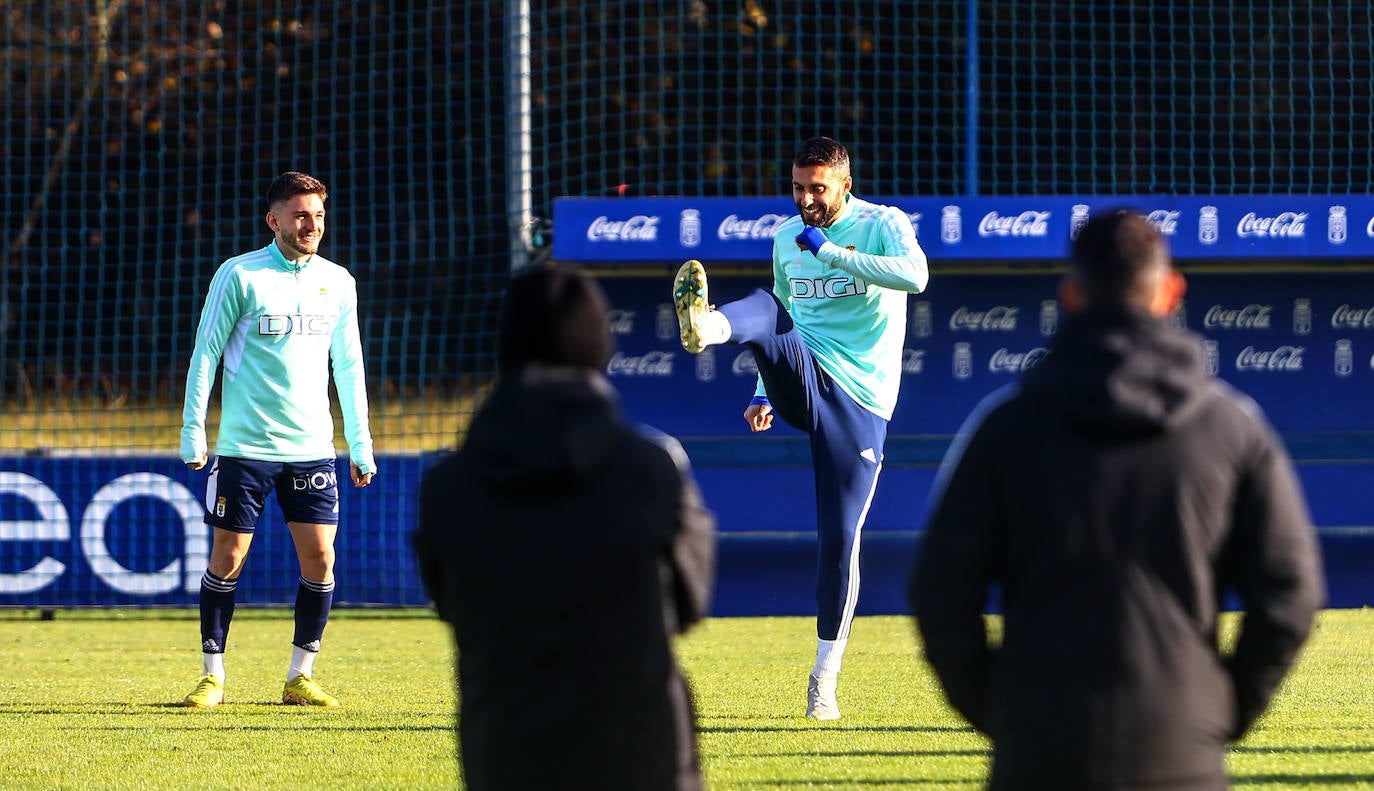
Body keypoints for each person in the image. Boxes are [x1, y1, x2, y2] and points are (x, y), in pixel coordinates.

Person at [909, 210, 1325, 790]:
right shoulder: (1232, 428)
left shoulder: (1006, 426)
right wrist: (1219, 705)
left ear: (1072, 296)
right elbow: (1291, 591)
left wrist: (1001, 707)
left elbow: (939, 590)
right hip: (1182, 750)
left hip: (1037, 750)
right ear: (1171, 291)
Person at [413, 266, 716, 791]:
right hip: (640, 744)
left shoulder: (447, 486)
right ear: (598, 346)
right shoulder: (651, 469)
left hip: (506, 747)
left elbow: (449, 603)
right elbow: (691, 602)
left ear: (507, 344)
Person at [674, 136, 929, 720]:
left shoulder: (882, 223)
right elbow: (786, 314)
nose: (806, 199)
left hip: (861, 402)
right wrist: (766, 390)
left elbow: (915, 277)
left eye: (818, 188)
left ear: (844, 183)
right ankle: (708, 328)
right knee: (765, 306)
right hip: (804, 378)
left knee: (839, 539)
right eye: (797, 187)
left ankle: (824, 680)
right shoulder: (787, 239)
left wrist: (832, 252)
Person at [178, 171, 376, 708]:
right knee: (229, 558)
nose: (312, 225)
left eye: (318, 216)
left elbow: (350, 366)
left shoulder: (338, 281)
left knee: (321, 561)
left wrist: (360, 443)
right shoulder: (239, 275)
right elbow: (206, 355)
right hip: (245, 449)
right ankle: (212, 675)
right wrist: (192, 431)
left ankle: (300, 676)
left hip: (312, 449)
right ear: (274, 220)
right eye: (301, 215)